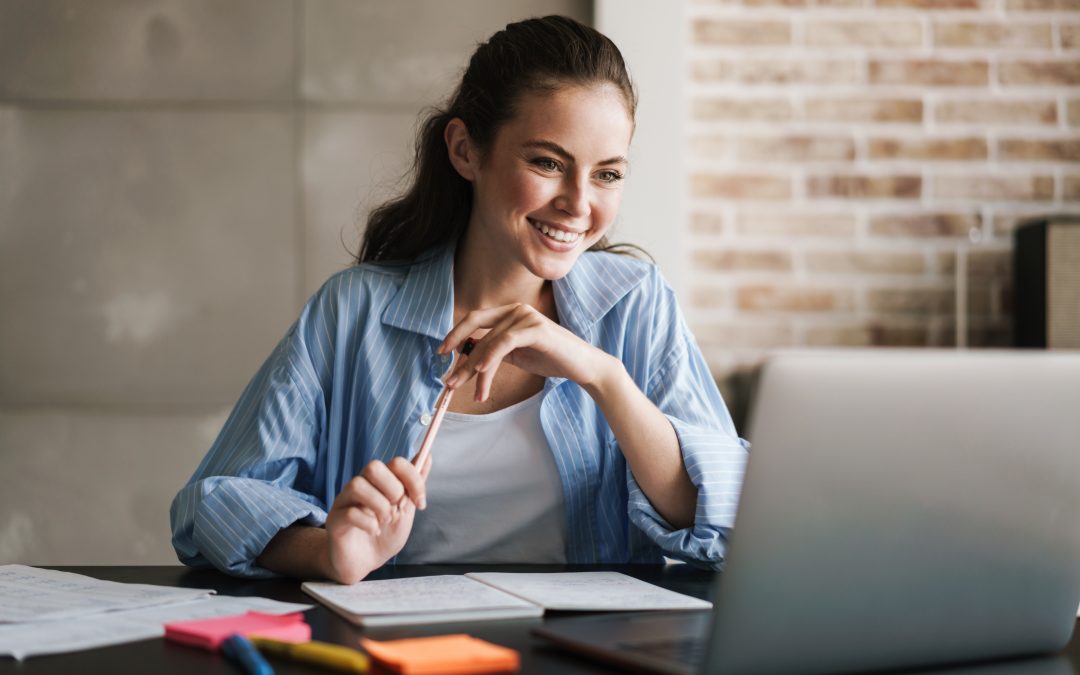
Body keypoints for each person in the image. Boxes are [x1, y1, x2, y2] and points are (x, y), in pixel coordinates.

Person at [170, 15, 748, 584]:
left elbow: (726, 522)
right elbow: (212, 506)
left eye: (608, 175)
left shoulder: (638, 305)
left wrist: (603, 376)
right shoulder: (354, 312)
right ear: (466, 151)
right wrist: (329, 552)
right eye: (548, 163)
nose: (578, 203)